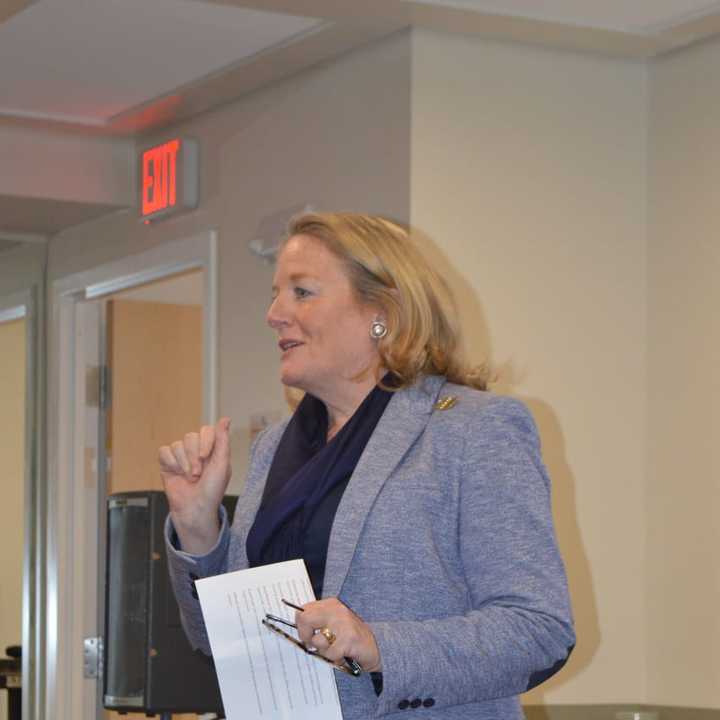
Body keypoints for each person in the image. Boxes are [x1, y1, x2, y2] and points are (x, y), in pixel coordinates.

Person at [160, 211, 575, 719]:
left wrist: (377, 645)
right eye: (275, 293)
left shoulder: (473, 430)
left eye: (302, 292)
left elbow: (538, 630)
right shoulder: (276, 447)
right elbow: (220, 644)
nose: (273, 313)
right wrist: (199, 530)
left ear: (382, 311)